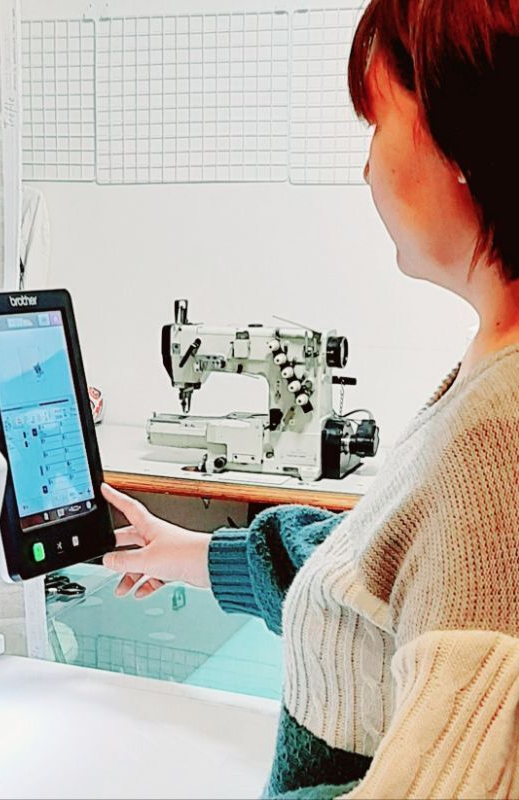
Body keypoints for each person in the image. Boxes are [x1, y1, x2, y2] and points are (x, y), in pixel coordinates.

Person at [100, 1, 519, 797]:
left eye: (378, 123)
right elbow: (375, 571)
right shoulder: (489, 366)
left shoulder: (501, 434)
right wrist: (186, 553)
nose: (367, 170)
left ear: (462, 137)